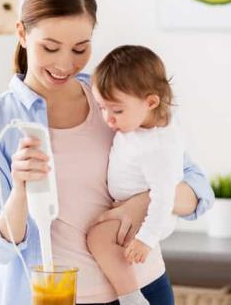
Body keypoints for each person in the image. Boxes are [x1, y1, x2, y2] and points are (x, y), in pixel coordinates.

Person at [0, 0, 214, 305]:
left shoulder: (113, 99)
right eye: (50, 48)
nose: (66, 64)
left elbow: (198, 191)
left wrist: (146, 201)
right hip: (52, 297)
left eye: (80, 49)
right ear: (22, 34)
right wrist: (22, 192)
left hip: (144, 287)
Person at [87, 45, 184, 305]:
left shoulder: (157, 147)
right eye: (102, 108)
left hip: (153, 215)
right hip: (135, 207)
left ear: (150, 102)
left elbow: (165, 198)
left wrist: (146, 239)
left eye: (116, 110)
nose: (108, 118)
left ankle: (131, 298)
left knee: (99, 237)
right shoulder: (140, 124)